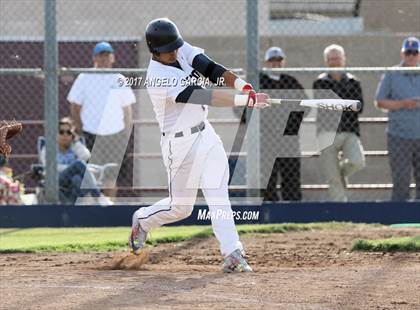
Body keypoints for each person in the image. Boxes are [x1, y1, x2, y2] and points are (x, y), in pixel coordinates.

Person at [129, 18, 270, 272]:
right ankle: (142, 220)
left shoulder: (178, 48)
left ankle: (232, 253)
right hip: (179, 144)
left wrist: (241, 85)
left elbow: (210, 69)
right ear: (155, 51)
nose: (174, 52)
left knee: (218, 195)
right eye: (168, 50)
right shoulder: (158, 76)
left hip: (206, 135)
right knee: (180, 208)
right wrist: (244, 101)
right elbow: (204, 95)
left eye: (175, 46)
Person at [67, 41, 136, 200]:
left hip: (115, 135)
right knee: (90, 176)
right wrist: (81, 129)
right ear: (94, 58)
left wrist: (125, 134)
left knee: (111, 177)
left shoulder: (119, 78)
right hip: (90, 133)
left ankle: (108, 211)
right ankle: (93, 213)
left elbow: (127, 111)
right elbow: (75, 106)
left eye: (107, 55)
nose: (104, 59)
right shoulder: (84, 77)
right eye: (101, 55)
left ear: (113, 58)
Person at [313, 44, 365, 202]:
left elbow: (359, 107)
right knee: (332, 180)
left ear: (344, 60)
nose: (334, 62)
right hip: (327, 133)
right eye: (331, 59)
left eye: (337, 58)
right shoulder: (320, 83)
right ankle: (340, 209)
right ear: (325, 62)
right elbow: (323, 108)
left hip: (349, 130)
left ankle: (340, 173)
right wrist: (345, 105)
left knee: (357, 161)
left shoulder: (353, 81)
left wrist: (337, 105)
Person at [375, 36, 420, 201]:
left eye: (415, 52)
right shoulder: (392, 74)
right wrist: (402, 104)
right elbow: (380, 101)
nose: (411, 56)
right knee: (401, 181)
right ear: (402, 54)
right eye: (408, 52)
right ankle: (399, 218)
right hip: (399, 136)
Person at [260, 47, 307, 202]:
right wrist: (257, 126)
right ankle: (269, 211)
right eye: (272, 61)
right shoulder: (259, 81)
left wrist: (291, 128)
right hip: (265, 138)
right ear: (266, 63)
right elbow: (241, 108)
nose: (276, 64)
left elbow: (304, 106)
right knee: (267, 178)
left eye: (279, 61)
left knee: (291, 176)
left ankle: (292, 211)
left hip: (288, 139)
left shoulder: (291, 81)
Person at [40, 117, 112, 205]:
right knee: (78, 164)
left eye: (69, 132)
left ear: (72, 135)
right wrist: (72, 168)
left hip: (73, 180)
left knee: (77, 179)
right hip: (57, 180)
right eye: (61, 132)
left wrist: (76, 142)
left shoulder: (74, 147)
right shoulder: (48, 148)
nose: (65, 135)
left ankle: (72, 206)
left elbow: (87, 156)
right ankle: (98, 195)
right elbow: (51, 167)